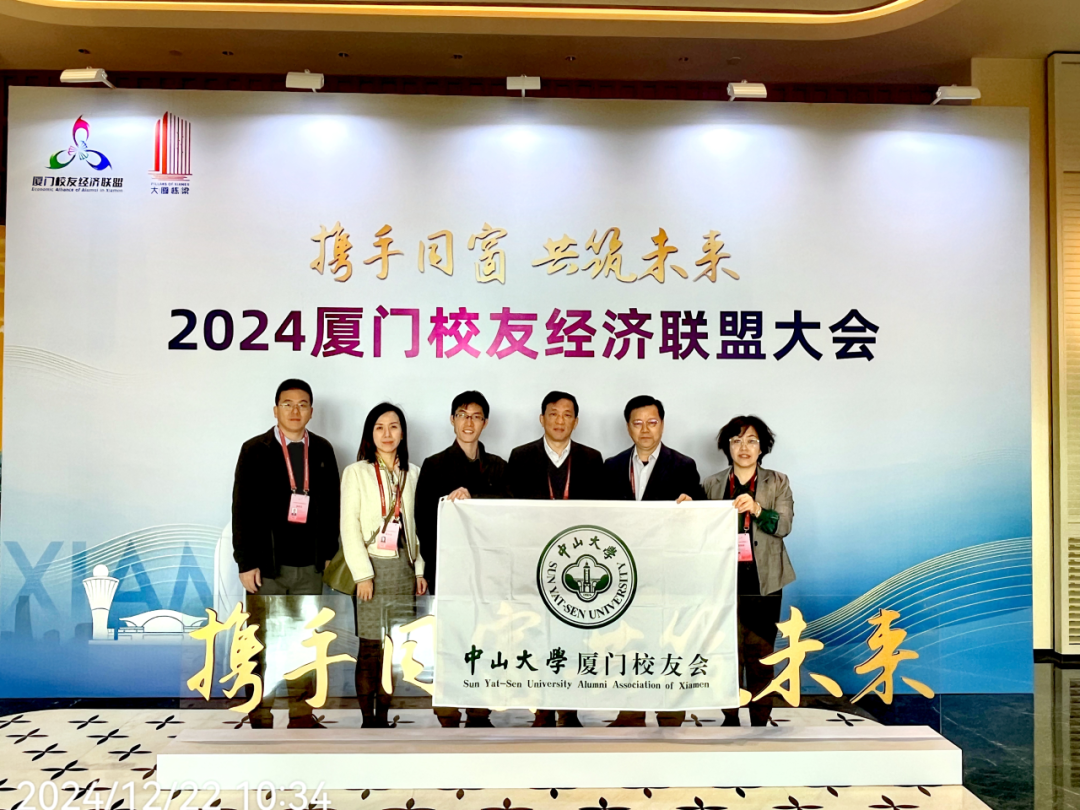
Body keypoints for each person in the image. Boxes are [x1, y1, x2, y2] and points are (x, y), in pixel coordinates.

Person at [231, 379, 341, 730]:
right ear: (275, 410)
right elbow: (241, 508)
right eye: (288, 404)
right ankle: (258, 712)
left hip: (310, 566)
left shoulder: (322, 449)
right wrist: (245, 561)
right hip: (267, 567)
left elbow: (333, 505)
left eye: (302, 404)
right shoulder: (255, 449)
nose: (295, 411)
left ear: (312, 411)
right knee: (259, 641)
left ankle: (301, 713)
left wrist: (329, 553)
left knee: (304, 641)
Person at [603, 394, 705, 728]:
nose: (645, 429)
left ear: (662, 424)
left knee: (669, 639)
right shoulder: (612, 466)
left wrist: (692, 505)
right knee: (629, 640)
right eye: (638, 423)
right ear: (627, 427)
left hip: (668, 571)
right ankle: (631, 711)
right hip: (625, 572)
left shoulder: (683, 465)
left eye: (652, 422)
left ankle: (670, 711)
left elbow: (699, 514)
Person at [508, 390, 605, 728]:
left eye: (567, 415)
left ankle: (570, 709)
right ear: (542, 418)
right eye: (553, 413)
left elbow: (602, 514)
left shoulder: (592, 459)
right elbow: (510, 512)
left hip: (578, 566)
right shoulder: (520, 457)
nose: (560, 420)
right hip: (535, 563)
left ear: (576, 421)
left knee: (576, 636)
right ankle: (542, 709)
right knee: (536, 635)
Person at [415, 391, 509, 728]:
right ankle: (448, 708)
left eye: (476, 416)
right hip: (448, 570)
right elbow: (422, 520)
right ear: (452, 420)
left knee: (486, 637)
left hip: (489, 571)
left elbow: (509, 509)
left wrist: (473, 497)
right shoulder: (434, 465)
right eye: (462, 415)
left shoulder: (499, 465)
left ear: (486, 422)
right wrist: (432, 568)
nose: (469, 422)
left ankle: (480, 709)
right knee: (450, 638)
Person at [702, 415, 794, 727]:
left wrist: (756, 509)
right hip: (722, 581)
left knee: (761, 654)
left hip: (764, 580)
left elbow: (784, 525)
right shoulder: (712, 484)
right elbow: (699, 531)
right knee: (726, 652)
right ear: (727, 446)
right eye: (736, 440)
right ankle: (729, 717)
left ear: (762, 447)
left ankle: (760, 719)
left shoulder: (777, 481)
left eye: (752, 440)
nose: (744, 447)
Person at [341, 402, 427, 728]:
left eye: (393, 427)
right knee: (369, 648)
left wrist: (419, 570)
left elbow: (418, 528)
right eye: (379, 427)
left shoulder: (413, 473)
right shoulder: (356, 472)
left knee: (394, 648)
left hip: (403, 569)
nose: (387, 434)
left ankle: (384, 716)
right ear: (370, 434)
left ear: (402, 433)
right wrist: (362, 575)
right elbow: (348, 526)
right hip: (371, 569)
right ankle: (368, 720)